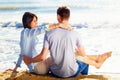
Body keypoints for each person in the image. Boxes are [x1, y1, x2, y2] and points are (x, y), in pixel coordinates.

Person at [23, 6, 112, 78]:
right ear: (69, 17)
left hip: (55, 73)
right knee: (82, 60)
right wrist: (76, 51)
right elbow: (83, 54)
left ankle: (97, 59)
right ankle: (84, 75)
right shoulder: (75, 34)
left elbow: (42, 56)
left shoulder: (48, 34)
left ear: (58, 16)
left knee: (68, 55)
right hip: (72, 73)